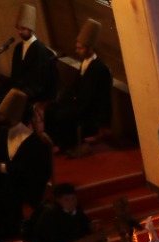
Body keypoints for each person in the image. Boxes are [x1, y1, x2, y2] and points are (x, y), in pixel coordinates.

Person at [0, 90, 53, 219]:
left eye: (1, 114)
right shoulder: (4, 133)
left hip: (25, 186)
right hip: (8, 180)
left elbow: (28, 171)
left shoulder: (32, 142)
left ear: (11, 116)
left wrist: (0, 167)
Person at [48, 20, 111, 153]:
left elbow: (100, 97)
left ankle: (66, 146)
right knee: (50, 109)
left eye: (80, 48)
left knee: (62, 116)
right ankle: (52, 142)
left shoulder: (100, 68)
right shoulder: (84, 62)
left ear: (90, 48)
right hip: (78, 102)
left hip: (88, 108)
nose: (77, 51)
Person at [7, 4, 59, 107]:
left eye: (23, 29)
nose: (19, 32)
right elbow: (15, 73)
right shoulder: (18, 47)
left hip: (33, 90)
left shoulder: (39, 49)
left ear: (30, 29)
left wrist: (21, 90)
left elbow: (38, 77)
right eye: (18, 28)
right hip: (19, 88)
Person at [23, 182, 92, 242]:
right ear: (58, 200)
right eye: (67, 200)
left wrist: (90, 226)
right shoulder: (49, 215)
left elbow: (84, 221)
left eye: (73, 199)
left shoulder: (76, 208)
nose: (71, 202)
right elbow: (52, 240)